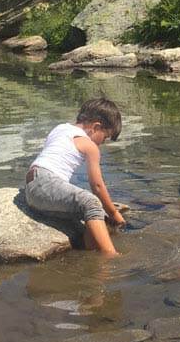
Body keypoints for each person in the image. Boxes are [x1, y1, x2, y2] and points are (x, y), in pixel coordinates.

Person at [24, 98, 125, 256]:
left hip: (32, 187)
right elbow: (97, 186)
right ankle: (111, 256)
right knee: (92, 203)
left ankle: (85, 253)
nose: (102, 143)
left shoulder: (60, 128)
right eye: (104, 137)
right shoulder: (89, 145)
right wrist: (114, 214)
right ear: (96, 127)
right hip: (45, 182)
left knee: (97, 216)